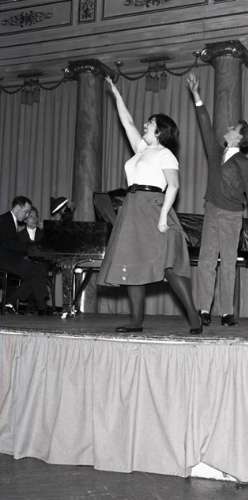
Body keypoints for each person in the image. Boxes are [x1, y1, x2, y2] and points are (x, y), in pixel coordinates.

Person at [97, 76, 201, 335]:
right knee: (133, 263)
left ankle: (194, 317)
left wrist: (163, 216)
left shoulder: (166, 154)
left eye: (150, 123)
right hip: (133, 208)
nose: (145, 124)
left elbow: (173, 186)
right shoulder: (142, 150)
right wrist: (116, 93)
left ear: (160, 131)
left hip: (154, 207)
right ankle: (136, 321)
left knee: (169, 265)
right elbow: (127, 122)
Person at [186, 72, 248, 327]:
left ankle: (227, 312)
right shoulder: (215, 151)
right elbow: (205, 124)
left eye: (232, 128)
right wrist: (196, 95)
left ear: (239, 137)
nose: (228, 129)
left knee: (228, 262)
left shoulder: (244, 163)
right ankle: (203, 309)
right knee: (207, 260)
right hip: (212, 210)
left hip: (232, 215)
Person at [0, 196, 49, 314]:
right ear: (17, 208)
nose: (27, 215)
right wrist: (29, 247)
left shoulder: (9, 220)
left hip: (9, 259)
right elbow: (7, 244)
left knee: (38, 270)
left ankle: (10, 302)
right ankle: (41, 306)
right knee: (38, 271)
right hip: (4, 260)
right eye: (26, 212)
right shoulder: (5, 220)